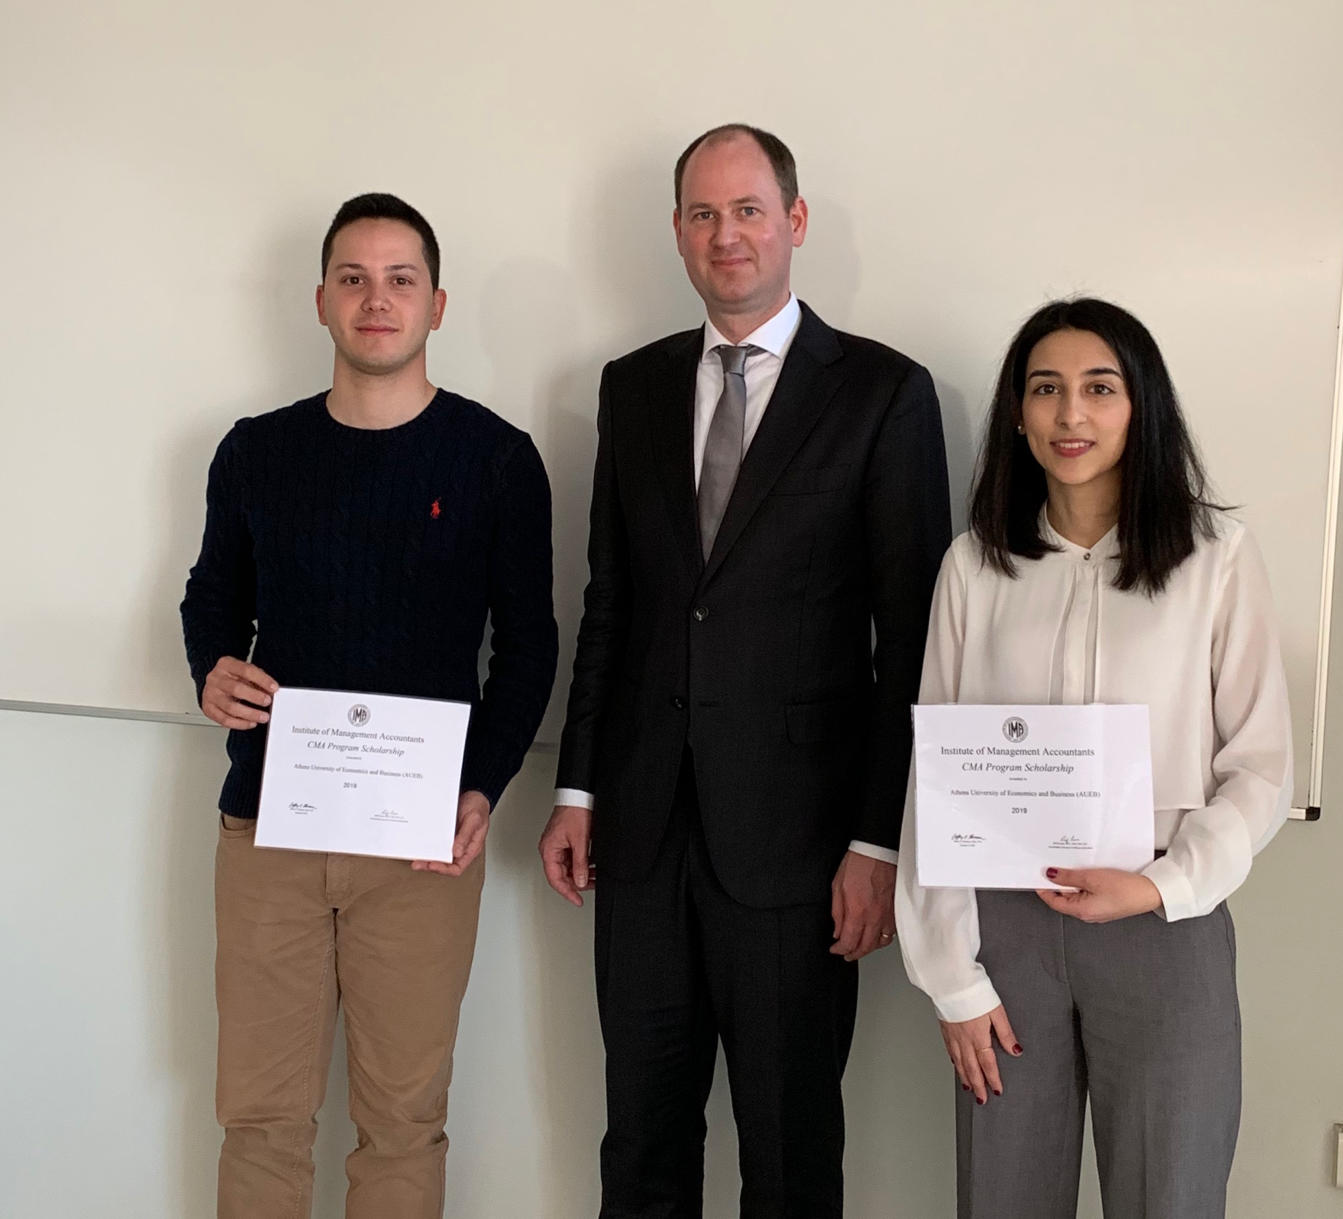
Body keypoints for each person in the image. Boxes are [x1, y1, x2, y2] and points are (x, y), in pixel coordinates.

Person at [538, 124, 951, 1217]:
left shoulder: (880, 393)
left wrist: (875, 838)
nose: (727, 235)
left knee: (788, 1151)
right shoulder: (630, 389)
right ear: (677, 232)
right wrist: (577, 785)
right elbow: (610, 602)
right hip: (639, 839)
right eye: (703, 214)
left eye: (748, 210)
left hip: (800, 850)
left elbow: (911, 637)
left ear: (794, 222)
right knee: (639, 1149)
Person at [180, 192, 557, 1219]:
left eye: (399, 281)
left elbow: (528, 646)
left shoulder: (495, 459)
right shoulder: (256, 451)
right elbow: (213, 596)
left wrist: (483, 785)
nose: (375, 299)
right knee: (258, 1116)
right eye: (353, 278)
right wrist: (210, 665)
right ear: (320, 301)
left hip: (419, 840)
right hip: (268, 831)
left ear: (436, 304)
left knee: (402, 1119)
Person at [895, 297, 1293, 1218]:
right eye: (1045, 390)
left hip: (1161, 922)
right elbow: (936, 776)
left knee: (1171, 1194)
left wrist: (1161, 885)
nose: (1070, 415)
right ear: (1018, 413)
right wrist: (951, 978)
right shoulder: (973, 565)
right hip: (1005, 937)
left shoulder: (1214, 558)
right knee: (1003, 1196)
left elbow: (1260, 763)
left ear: (1138, 405)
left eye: (1097, 388)